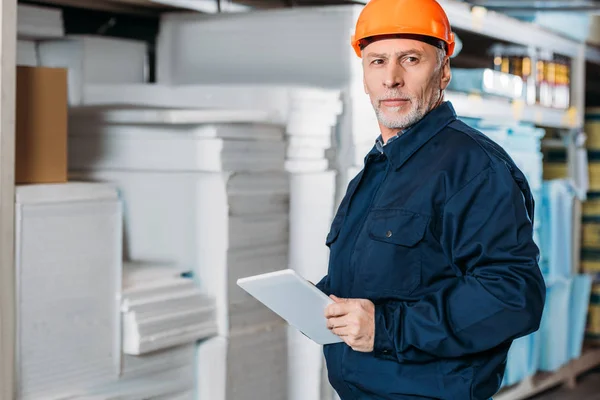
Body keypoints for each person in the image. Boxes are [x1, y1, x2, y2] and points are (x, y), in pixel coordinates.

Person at [315, 0, 546, 398]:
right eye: (377, 62)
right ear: (365, 76)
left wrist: (386, 327)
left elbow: (513, 295)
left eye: (410, 59)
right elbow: (394, 274)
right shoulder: (378, 168)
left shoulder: (473, 167)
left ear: (444, 72)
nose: (392, 78)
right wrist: (322, 299)